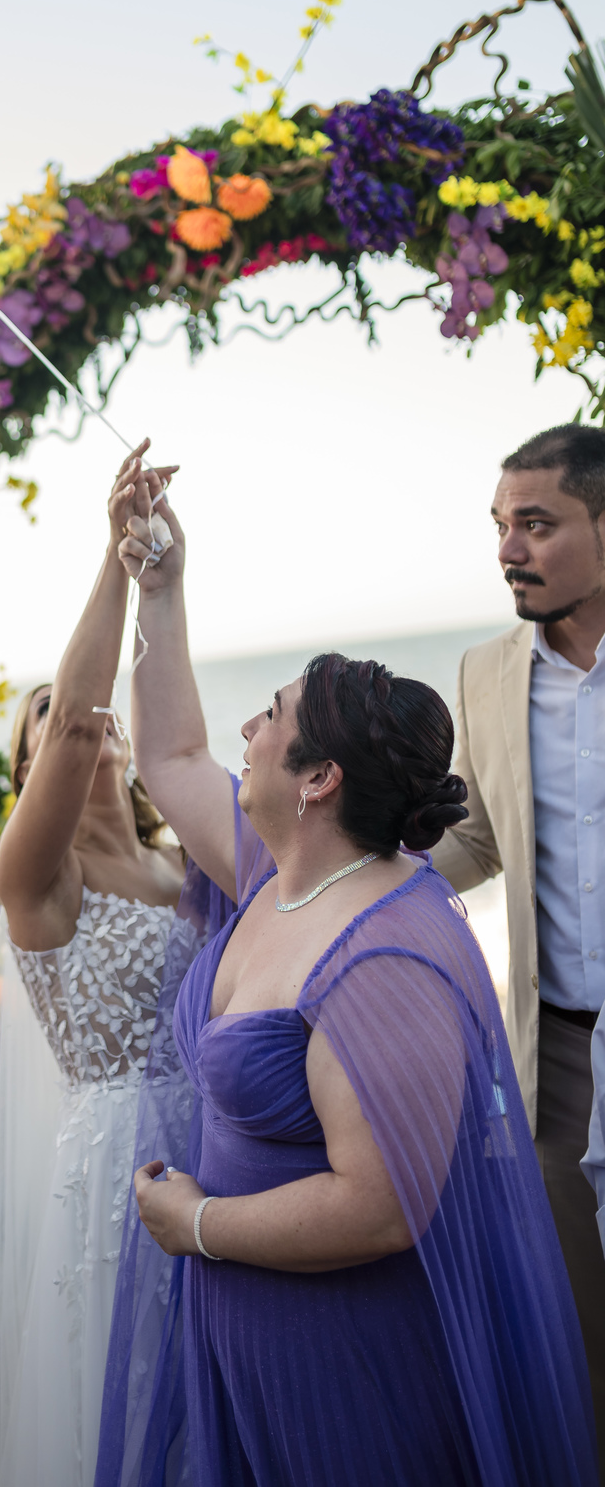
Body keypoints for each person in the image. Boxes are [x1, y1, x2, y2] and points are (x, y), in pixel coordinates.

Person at [94, 470, 596, 1487]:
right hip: (247, 1326)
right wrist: (161, 583)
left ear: (319, 779)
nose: (247, 730)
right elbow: (172, 748)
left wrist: (193, 1223)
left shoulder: (385, 951)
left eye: (270, 716)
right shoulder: (273, 875)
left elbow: (380, 1206)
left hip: (347, 1358)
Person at [0, 445, 184, 1487]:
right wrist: (114, 556)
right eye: (46, 717)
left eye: (88, 714)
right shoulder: (37, 880)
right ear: (27, 763)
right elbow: (89, 712)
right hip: (120, 1160)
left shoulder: (185, 866)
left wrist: (168, 578)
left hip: (222, 1137)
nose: (81, 723)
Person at [425, 423, 605, 1469]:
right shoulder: (484, 671)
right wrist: (347, 888)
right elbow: (478, 833)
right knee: (579, 1329)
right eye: (500, 525)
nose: (509, 549)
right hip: (558, 1060)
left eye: (535, 523)